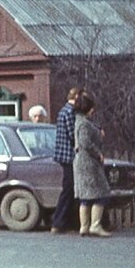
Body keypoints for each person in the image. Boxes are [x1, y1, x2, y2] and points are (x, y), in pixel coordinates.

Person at [73, 91, 112, 238]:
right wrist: (98, 153)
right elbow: (85, 142)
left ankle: (84, 226)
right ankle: (95, 225)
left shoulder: (79, 121)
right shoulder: (84, 124)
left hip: (81, 161)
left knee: (85, 196)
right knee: (99, 193)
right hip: (88, 163)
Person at [50, 88, 81, 234]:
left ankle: (67, 221)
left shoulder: (64, 111)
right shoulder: (69, 112)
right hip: (68, 156)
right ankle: (58, 221)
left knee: (71, 189)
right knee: (69, 189)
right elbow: (72, 134)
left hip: (65, 155)